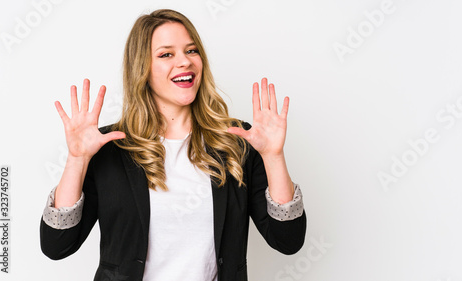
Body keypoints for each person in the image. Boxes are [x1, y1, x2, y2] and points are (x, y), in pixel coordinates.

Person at [40, 8, 306, 281]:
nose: (185, 62)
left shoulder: (237, 141)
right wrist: (77, 159)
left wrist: (273, 156)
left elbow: (288, 241)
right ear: (142, 67)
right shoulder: (108, 147)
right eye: (166, 54)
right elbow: (57, 246)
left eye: (191, 51)